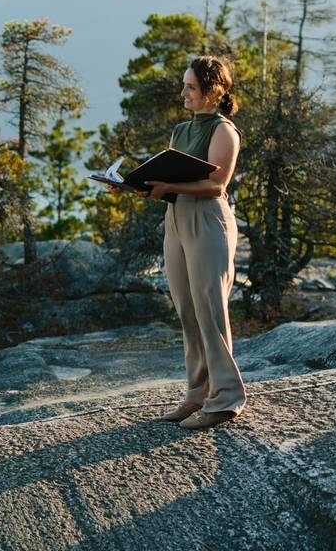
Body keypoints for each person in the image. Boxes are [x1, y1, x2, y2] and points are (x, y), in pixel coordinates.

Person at [130, 55, 247, 429]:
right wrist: (145, 188)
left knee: (210, 311)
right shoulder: (181, 131)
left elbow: (216, 186)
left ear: (214, 91)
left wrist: (169, 187)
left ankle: (226, 398)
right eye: (184, 85)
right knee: (186, 310)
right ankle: (197, 395)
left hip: (208, 221)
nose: (183, 92)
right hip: (176, 219)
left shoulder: (224, 130)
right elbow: (172, 178)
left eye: (191, 87)